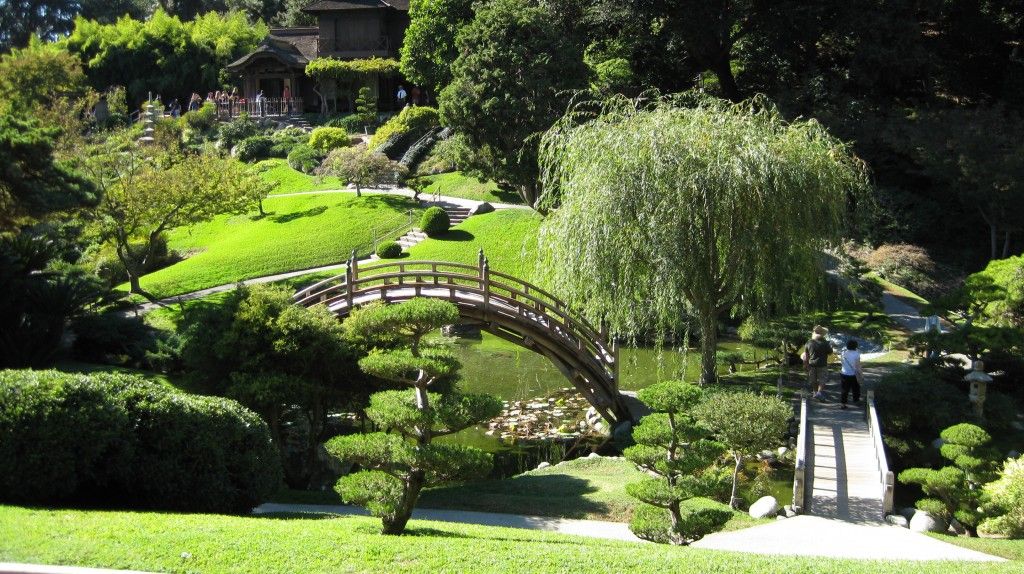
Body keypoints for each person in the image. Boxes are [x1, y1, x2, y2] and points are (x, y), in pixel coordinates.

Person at [802, 325, 832, 400]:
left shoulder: (809, 342)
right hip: (822, 364)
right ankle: (819, 393)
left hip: (812, 364)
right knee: (823, 379)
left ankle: (815, 392)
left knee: (813, 380)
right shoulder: (825, 343)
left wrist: (805, 365)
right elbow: (830, 352)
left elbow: (806, 355)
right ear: (822, 334)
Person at [840, 339, 863, 409]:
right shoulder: (857, 354)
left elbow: (842, 362)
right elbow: (858, 366)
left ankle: (843, 404)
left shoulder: (843, 353)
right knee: (856, 388)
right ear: (856, 346)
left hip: (844, 373)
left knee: (844, 389)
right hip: (853, 374)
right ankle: (856, 401)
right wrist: (861, 374)